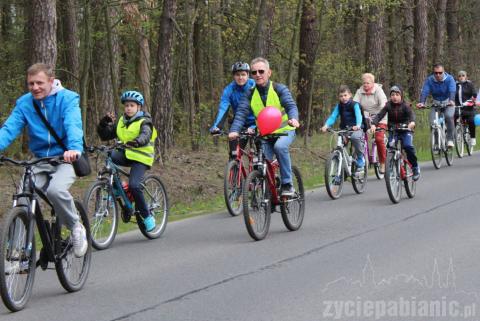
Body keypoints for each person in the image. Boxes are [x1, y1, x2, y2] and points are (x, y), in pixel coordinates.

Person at [0, 63, 87, 257]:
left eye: (39, 82)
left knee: (55, 190)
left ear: (51, 81)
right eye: (31, 83)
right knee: (23, 196)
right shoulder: (24, 103)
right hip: (39, 159)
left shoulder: (67, 99)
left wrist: (73, 148)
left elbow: (73, 123)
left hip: (66, 157)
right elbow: (9, 129)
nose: (35, 87)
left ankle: (76, 227)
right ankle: (16, 250)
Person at [228, 57, 300, 196]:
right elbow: (241, 113)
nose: (258, 75)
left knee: (280, 147)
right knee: (260, 162)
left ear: (269, 73)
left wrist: (294, 119)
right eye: (254, 72)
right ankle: (267, 196)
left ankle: (287, 184)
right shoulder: (249, 93)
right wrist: (234, 130)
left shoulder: (279, 89)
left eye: (261, 71)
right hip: (265, 134)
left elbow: (290, 106)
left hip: (285, 130)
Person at [97, 90, 158, 232]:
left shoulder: (145, 121)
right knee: (109, 155)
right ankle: (117, 187)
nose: (128, 108)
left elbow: (146, 135)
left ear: (139, 107)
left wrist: (137, 142)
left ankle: (148, 217)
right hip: (126, 154)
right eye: (126, 106)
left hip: (141, 157)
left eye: (132, 105)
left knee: (135, 185)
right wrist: (104, 123)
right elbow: (105, 135)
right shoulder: (121, 122)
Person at [371, 85, 420, 181]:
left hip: (406, 130)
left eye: (397, 94)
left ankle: (415, 168)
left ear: (401, 96)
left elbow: (411, 114)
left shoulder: (405, 105)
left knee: (408, 146)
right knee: (390, 147)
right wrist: (373, 124)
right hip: (394, 131)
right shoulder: (388, 105)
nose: (395, 97)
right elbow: (380, 115)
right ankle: (393, 167)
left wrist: (412, 122)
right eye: (392, 95)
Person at [210, 61, 256, 159]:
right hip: (240, 123)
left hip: (257, 122)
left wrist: (255, 126)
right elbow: (223, 108)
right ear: (233, 76)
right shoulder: (229, 89)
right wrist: (216, 127)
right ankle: (234, 170)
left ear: (248, 75)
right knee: (234, 154)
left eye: (243, 74)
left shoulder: (254, 86)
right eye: (237, 75)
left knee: (261, 156)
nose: (240, 78)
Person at [322, 85, 365, 174]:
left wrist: (357, 125)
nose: (343, 98)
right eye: (341, 96)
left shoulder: (354, 105)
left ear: (350, 95)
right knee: (339, 146)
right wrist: (326, 125)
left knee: (355, 138)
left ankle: (361, 157)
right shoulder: (339, 106)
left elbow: (358, 116)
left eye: (345, 95)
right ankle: (341, 173)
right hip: (344, 129)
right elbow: (333, 117)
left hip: (356, 129)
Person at [353, 73, 388, 173]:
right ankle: (362, 160)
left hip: (380, 116)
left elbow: (384, 106)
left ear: (373, 83)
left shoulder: (378, 91)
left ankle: (382, 163)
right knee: (358, 137)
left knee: (378, 138)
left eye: (368, 83)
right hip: (366, 118)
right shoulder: (359, 92)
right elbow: (354, 105)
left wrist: (376, 120)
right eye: (364, 83)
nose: (365, 85)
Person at [417, 63, 456, 147]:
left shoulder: (449, 79)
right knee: (433, 122)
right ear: (433, 73)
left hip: (448, 103)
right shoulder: (430, 80)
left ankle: (450, 139)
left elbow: (452, 90)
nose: (438, 75)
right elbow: (425, 91)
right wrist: (422, 102)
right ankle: (436, 143)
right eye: (436, 73)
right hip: (436, 103)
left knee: (449, 116)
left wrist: (451, 100)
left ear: (443, 72)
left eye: (440, 72)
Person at [455, 70, 477, 146]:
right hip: (458, 107)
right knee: (452, 119)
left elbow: (474, 94)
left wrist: (471, 100)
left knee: (471, 121)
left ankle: (473, 137)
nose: (461, 77)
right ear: (458, 77)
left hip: (468, 107)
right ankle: (454, 135)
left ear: (466, 76)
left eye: (463, 75)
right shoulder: (455, 85)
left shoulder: (470, 84)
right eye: (459, 76)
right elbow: (451, 94)